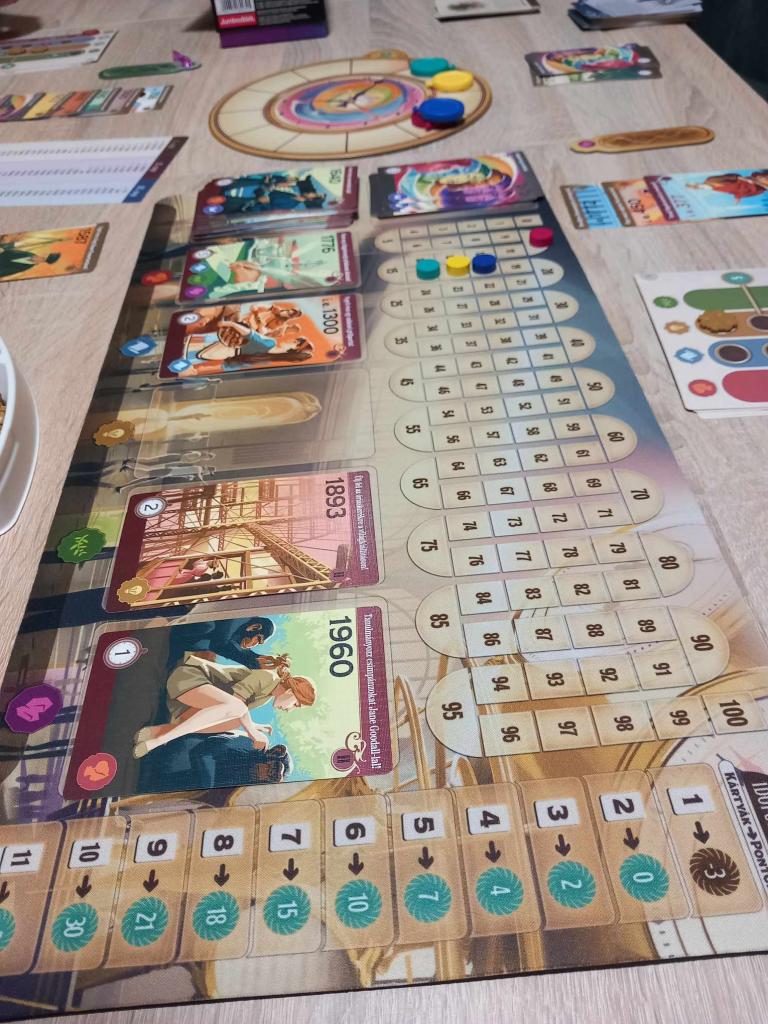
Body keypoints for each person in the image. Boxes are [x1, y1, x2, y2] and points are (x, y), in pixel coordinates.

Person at [132, 651, 315, 758]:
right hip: (188, 679)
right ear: (291, 692)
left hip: (192, 700)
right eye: (295, 705)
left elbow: (228, 710)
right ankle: (157, 742)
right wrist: (252, 731)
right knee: (238, 711)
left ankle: (154, 733)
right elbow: (236, 703)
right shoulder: (269, 677)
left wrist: (253, 726)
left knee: (232, 722)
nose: (290, 710)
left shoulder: (266, 697)